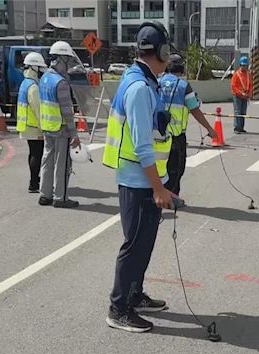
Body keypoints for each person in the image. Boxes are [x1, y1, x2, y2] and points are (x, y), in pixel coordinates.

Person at [102, 21, 175, 333]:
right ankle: (119, 308)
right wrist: (158, 188)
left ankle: (135, 295)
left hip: (140, 178)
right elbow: (143, 147)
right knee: (134, 246)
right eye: (167, 50)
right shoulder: (140, 89)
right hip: (138, 181)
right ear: (159, 51)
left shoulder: (141, 80)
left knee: (143, 245)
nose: (169, 57)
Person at [159, 53, 217, 196]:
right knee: (176, 169)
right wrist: (209, 129)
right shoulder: (184, 86)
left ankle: (160, 195)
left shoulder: (157, 82)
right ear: (182, 69)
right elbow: (195, 110)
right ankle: (171, 198)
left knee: (161, 168)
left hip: (157, 135)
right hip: (176, 137)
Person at [38, 41, 80, 209]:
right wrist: (74, 134)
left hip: (47, 126)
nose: (68, 65)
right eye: (67, 60)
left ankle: (44, 194)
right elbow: (67, 112)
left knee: (47, 160)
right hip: (61, 129)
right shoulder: (60, 82)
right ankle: (60, 197)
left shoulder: (44, 78)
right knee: (62, 164)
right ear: (61, 59)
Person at [16, 52, 47, 193]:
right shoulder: (33, 87)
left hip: (26, 125)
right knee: (37, 154)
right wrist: (43, 128)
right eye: (40, 68)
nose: (41, 72)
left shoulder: (25, 83)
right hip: (34, 127)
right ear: (34, 67)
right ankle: (33, 183)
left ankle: (34, 179)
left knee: (32, 153)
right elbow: (38, 110)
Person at [230, 56, 253, 134]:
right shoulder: (236, 74)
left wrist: (249, 94)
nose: (244, 67)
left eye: (246, 65)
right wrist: (240, 93)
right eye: (243, 65)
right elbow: (233, 86)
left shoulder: (248, 74)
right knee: (238, 111)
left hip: (245, 96)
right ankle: (237, 127)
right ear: (240, 65)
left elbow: (250, 85)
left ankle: (241, 127)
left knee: (243, 112)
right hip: (237, 96)